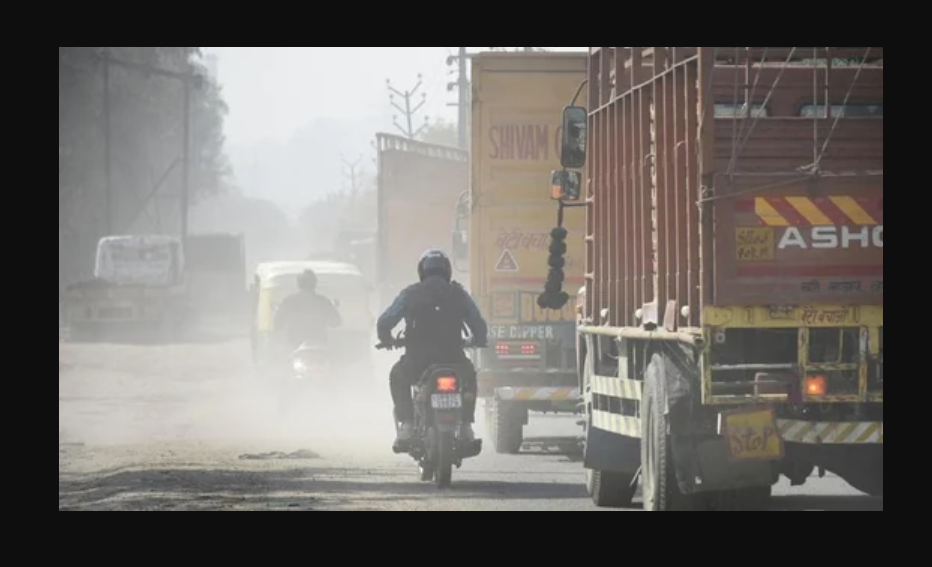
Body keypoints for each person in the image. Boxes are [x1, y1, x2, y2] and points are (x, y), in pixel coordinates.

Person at [377, 249, 488, 450]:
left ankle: (408, 425)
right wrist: (478, 340)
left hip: (417, 363)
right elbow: (479, 325)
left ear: (422, 271)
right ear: (447, 271)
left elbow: (385, 321)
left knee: (397, 376)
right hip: (453, 360)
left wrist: (387, 340)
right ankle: (465, 426)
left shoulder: (409, 294)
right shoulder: (459, 294)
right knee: (469, 376)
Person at [274, 269, 341, 349]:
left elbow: (277, 323)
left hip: (293, 345)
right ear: (314, 283)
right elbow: (336, 322)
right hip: (319, 345)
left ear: (298, 283)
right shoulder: (323, 301)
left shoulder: (288, 301)